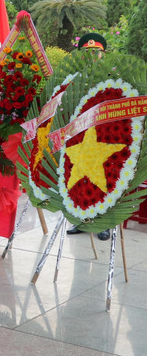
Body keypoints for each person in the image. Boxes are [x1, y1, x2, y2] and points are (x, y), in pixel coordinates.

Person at [66, 32, 112, 241]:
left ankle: (103, 222)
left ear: (103, 53)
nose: (92, 56)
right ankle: (82, 219)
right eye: (88, 52)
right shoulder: (75, 77)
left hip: (104, 135)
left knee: (104, 177)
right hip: (79, 134)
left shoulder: (112, 74)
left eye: (96, 52)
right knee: (79, 177)